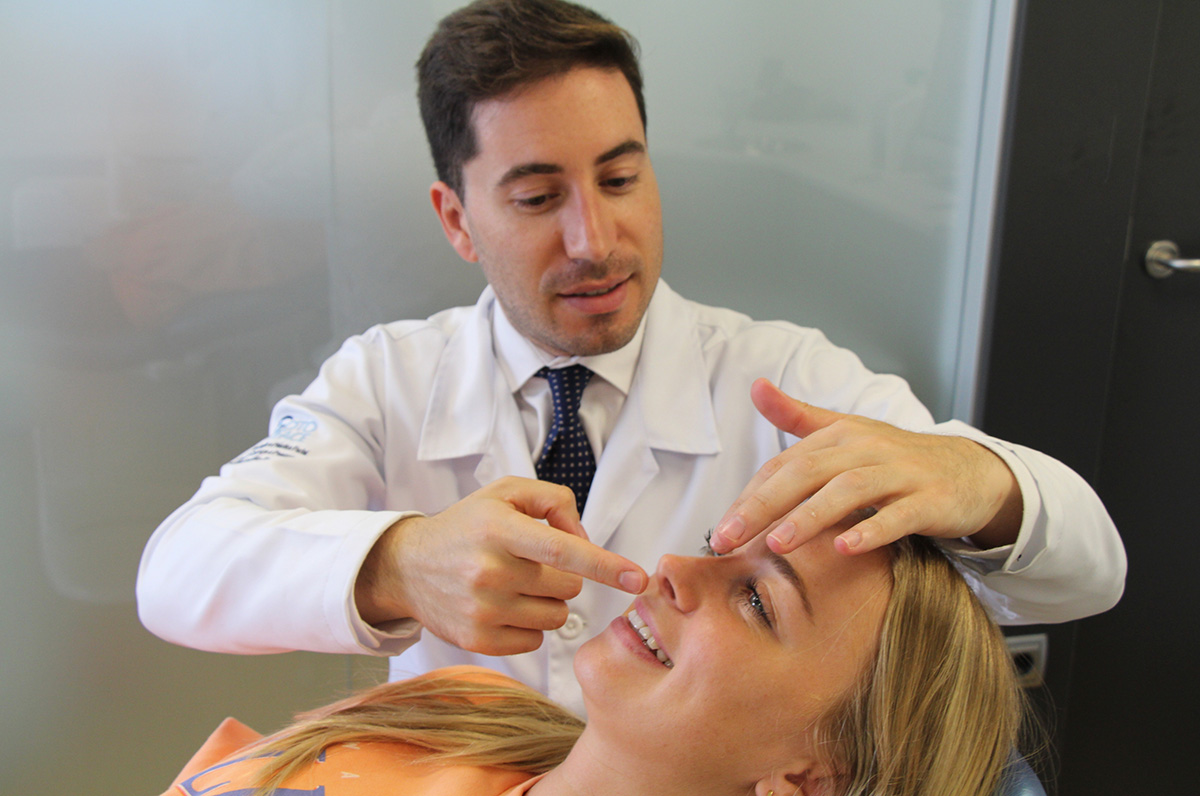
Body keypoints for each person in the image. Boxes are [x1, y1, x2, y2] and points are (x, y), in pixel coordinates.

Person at [137, 0, 1125, 717]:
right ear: (457, 219)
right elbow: (177, 570)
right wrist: (398, 563)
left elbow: (1090, 574)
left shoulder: (778, 375)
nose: (595, 238)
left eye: (620, 175)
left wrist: (976, 477)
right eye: (536, 197)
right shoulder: (385, 381)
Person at [163, 532, 1029, 796]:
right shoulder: (454, 708)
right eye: (712, 550)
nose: (677, 573)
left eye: (759, 602)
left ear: (813, 777)